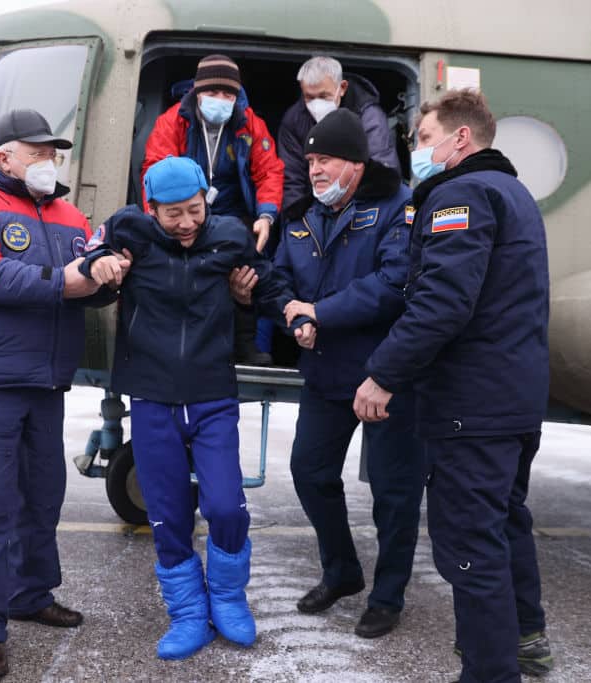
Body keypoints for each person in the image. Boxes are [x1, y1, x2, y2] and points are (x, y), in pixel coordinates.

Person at [354, 89, 553, 682]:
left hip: (473, 405)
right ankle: (525, 641)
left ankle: (490, 672)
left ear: (459, 138)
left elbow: (443, 302)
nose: (417, 150)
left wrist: (384, 374)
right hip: (512, 401)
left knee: (470, 546)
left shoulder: (461, 194)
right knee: (504, 524)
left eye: (422, 138)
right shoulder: (514, 194)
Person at [80, 156, 311, 661]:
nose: (185, 223)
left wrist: (292, 314)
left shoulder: (229, 236)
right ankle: (187, 613)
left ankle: (227, 598)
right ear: (151, 208)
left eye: (193, 210)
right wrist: (97, 268)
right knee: (166, 513)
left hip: (211, 394)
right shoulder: (127, 231)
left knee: (226, 505)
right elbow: (89, 271)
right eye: (172, 214)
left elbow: (267, 285)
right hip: (152, 394)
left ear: (206, 199)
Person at [0, 108, 115, 679]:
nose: (48, 162)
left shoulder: (66, 213)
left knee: (40, 498)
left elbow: (80, 291)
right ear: (3, 156)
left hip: (44, 382)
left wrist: (106, 277)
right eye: (36, 152)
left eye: (53, 153)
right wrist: (64, 280)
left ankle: (30, 595)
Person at [239, 109, 426, 639]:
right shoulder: (300, 218)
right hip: (326, 372)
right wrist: (291, 313)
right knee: (310, 473)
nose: (315, 169)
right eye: (312, 160)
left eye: (326, 160)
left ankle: (388, 596)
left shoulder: (401, 209)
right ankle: (341, 570)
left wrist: (319, 313)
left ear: (358, 163)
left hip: (388, 372)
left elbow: (395, 285)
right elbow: (274, 279)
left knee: (395, 491)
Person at [142, 54, 284, 365]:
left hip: (233, 213)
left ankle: (247, 346)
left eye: (228, 94)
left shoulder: (250, 124)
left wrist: (265, 216)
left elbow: (269, 171)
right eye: (212, 93)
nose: (221, 100)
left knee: (249, 270)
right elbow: (155, 169)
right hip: (185, 210)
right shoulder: (172, 121)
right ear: (196, 91)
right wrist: (162, 219)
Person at [278, 56, 400, 218]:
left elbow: (382, 172)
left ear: (342, 88)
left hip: (362, 208)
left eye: (323, 96)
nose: (316, 104)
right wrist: (298, 221)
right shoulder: (294, 120)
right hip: (314, 208)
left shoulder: (369, 117)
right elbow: (292, 179)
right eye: (309, 97)